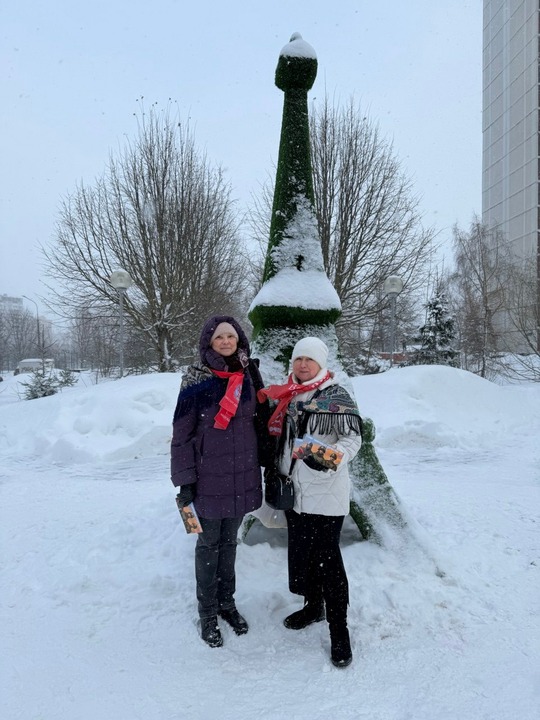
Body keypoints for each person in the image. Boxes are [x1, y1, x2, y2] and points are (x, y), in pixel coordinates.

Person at [258, 337, 363, 668]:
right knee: (302, 556)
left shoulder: (336, 396)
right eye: (298, 359)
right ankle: (313, 606)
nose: (303, 364)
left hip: (326, 491)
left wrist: (332, 456)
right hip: (294, 493)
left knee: (329, 562)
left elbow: (353, 439)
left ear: (321, 363)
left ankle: (339, 629)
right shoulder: (287, 395)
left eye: (309, 359)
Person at [171, 315, 270, 648]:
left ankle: (227, 603)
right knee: (208, 545)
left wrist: (269, 461)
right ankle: (208, 613)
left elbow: (261, 421)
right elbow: (181, 435)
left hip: (242, 474)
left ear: (239, 340)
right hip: (208, 478)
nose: (226, 342)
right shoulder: (197, 379)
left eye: (231, 336)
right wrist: (185, 481)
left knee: (230, 544)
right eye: (219, 337)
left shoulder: (249, 373)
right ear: (209, 343)